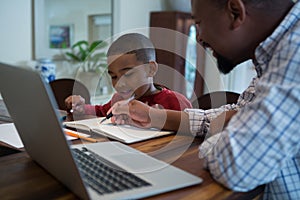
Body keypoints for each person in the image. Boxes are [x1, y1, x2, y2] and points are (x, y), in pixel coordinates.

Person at [108, 0, 300, 199]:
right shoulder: (274, 59)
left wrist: (225, 133)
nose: (199, 37)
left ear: (235, 12)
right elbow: (231, 115)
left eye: (198, 23)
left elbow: (236, 166)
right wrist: (153, 116)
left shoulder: (296, 54)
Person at [65, 33, 192, 117]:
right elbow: (101, 112)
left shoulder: (176, 102)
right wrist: (81, 108)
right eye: (114, 76)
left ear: (151, 69)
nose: (120, 84)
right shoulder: (119, 100)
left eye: (128, 74)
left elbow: (191, 132)